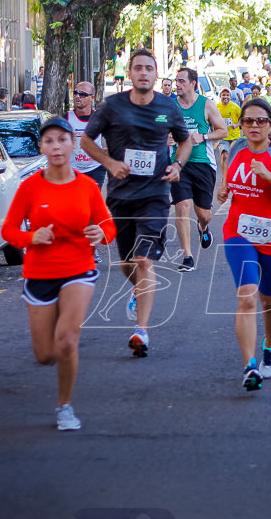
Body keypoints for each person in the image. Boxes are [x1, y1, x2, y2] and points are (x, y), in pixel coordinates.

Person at [1, 116, 117, 430]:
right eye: (49, 141)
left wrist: (100, 234)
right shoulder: (30, 187)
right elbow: (9, 230)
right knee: (44, 355)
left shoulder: (87, 186)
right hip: (39, 271)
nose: (56, 147)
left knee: (67, 341)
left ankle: (64, 406)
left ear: (72, 144)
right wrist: (31, 238)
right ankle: (53, 353)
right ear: (42, 147)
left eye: (62, 140)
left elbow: (108, 225)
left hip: (78, 267)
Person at [80, 48, 192, 357]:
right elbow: (87, 140)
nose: (143, 72)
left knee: (145, 261)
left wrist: (177, 167)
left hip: (155, 195)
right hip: (120, 196)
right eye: (138, 68)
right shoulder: (112, 106)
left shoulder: (168, 107)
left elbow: (184, 141)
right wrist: (108, 162)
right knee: (128, 263)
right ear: (130, 74)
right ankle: (136, 290)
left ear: (157, 75)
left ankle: (141, 331)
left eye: (149, 68)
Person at [216, 97, 271, 390]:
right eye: (248, 121)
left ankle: (270, 343)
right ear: (241, 125)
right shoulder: (237, 148)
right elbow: (232, 179)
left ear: (270, 125)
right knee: (246, 296)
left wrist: (268, 176)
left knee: (269, 300)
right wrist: (224, 188)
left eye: (261, 121)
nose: (254, 126)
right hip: (238, 231)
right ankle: (249, 366)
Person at [171, 67, 227, 272]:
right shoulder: (171, 105)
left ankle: (203, 227)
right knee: (182, 206)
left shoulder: (206, 105)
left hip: (203, 163)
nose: (177, 84)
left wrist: (203, 137)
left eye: (182, 81)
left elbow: (223, 130)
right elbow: (158, 127)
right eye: (176, 80)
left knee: (204, 213)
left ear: (193, 83)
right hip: (178, 164)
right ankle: (187, 256)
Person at [68, 82, 107, 187]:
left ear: (91, 97)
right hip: (73, 170)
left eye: (82, 94)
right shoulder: (66, 118)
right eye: (75, 93)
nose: (77, 96)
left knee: (91, 202)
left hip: (95, 169)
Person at [217, 88, 243, 178]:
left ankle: (233, 176)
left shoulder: (235, 106)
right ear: (220, 96)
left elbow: (242, 118)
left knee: (233, 156)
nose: (225, 97)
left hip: (234, 136)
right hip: (223, 136)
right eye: (223, 95)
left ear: (230, 97)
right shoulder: (217, 107)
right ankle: (225, 177)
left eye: (227, 95)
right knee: (224, 155)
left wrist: (236, 125)